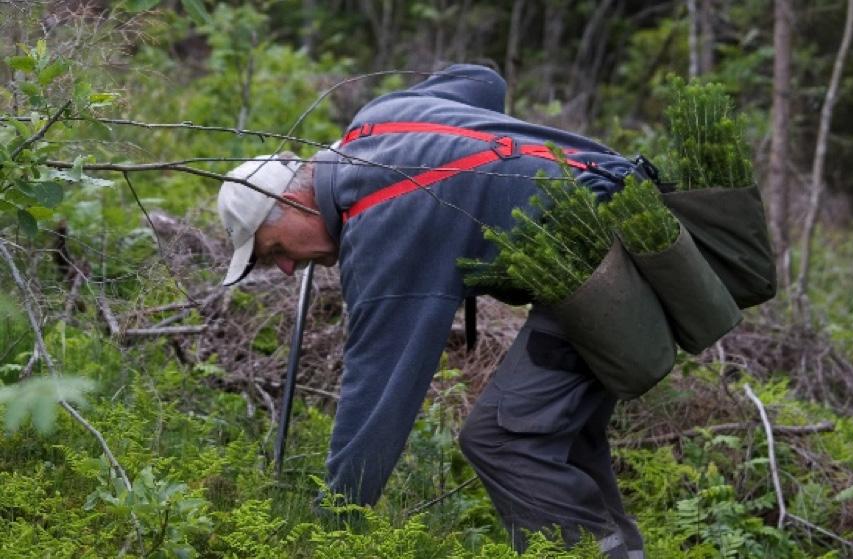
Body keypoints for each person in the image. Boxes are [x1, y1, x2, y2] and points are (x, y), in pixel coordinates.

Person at [217, 64, 646, 559]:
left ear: (291, 200)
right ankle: (616, 551)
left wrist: (332, 528)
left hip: (606, 252)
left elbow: (377, 393)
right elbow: (483, 81)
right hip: (624, 209)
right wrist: (467, 171)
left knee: (504, 440)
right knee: (554, 431)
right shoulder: (377, 122)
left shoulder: (381, 223)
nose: (288, 268)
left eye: (274, 251)